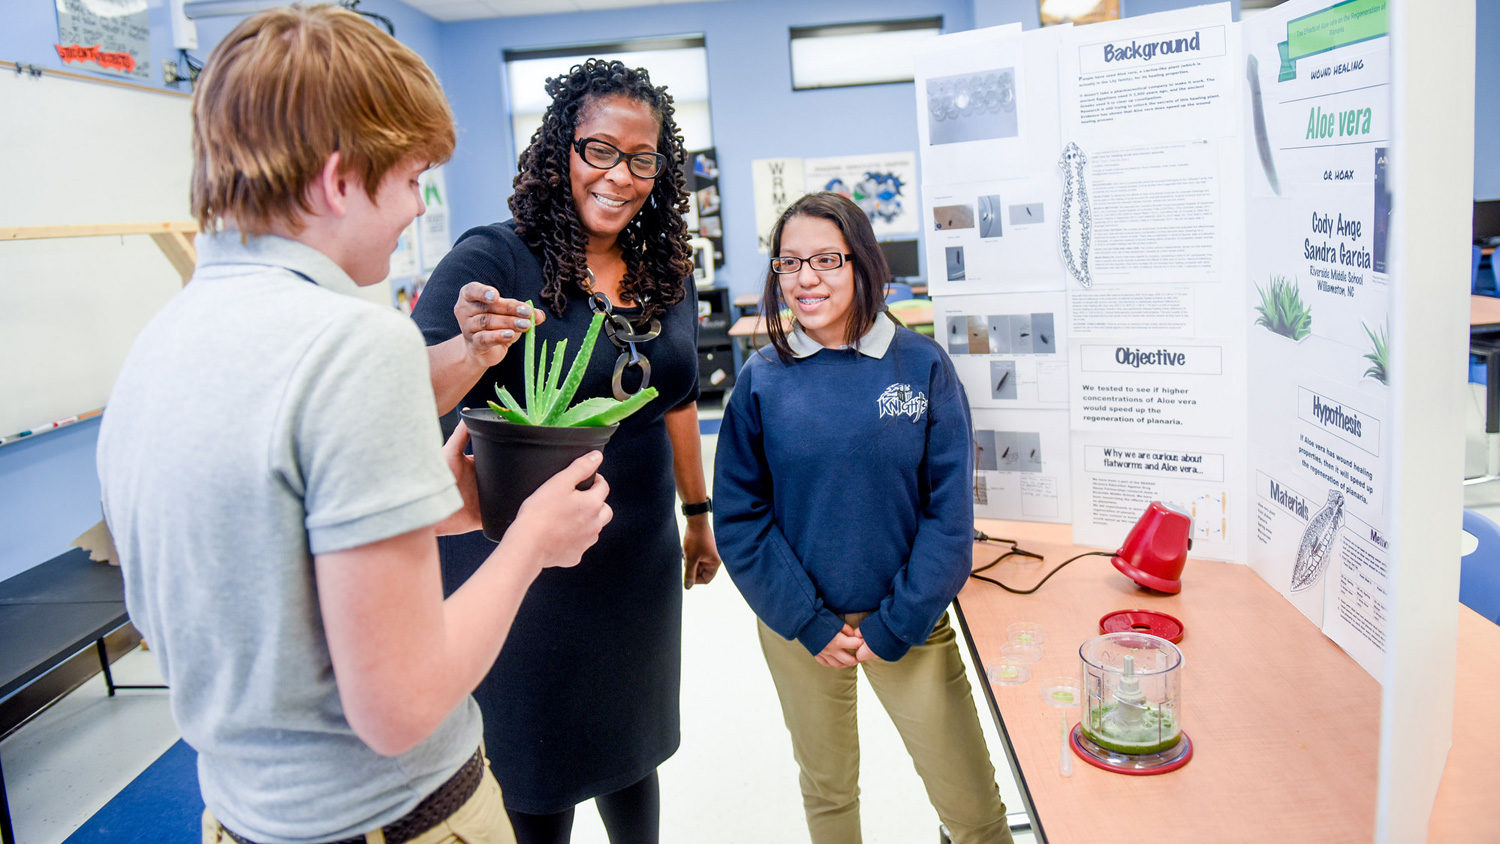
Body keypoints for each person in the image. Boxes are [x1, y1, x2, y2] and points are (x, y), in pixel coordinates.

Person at [96, 7, 611, 842]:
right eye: (411, 180)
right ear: (339, 180)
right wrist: (530, 543)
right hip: (397, 821)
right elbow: (400, 707)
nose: (416, 208)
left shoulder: (160, 344)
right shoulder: (353, 341)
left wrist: (418, 512)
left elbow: (228, 586)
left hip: (241, 818)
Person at [411, 59, 720, 844]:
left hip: (636, 562)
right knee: (537, 773)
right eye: (599, 150)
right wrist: (473, 351)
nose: (621, 176)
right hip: (527, 569)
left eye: (642, 158)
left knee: (633, 751)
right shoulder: (495, 259)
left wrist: (697, 514)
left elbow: (675, 396)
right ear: (560, 151)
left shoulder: (664, 270)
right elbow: (401, 390)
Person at [713, 192, 1013, 844]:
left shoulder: (921, 365)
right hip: (801, 631)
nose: (805, 278)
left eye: (825, 259)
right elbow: (740, 521)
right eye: (789, 263)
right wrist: (811, 623)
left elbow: (949, 517)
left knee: (977, 816)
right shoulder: (762, 381)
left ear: (862, 263)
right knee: (829, 796)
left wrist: (895, 623)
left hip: (909, 623)